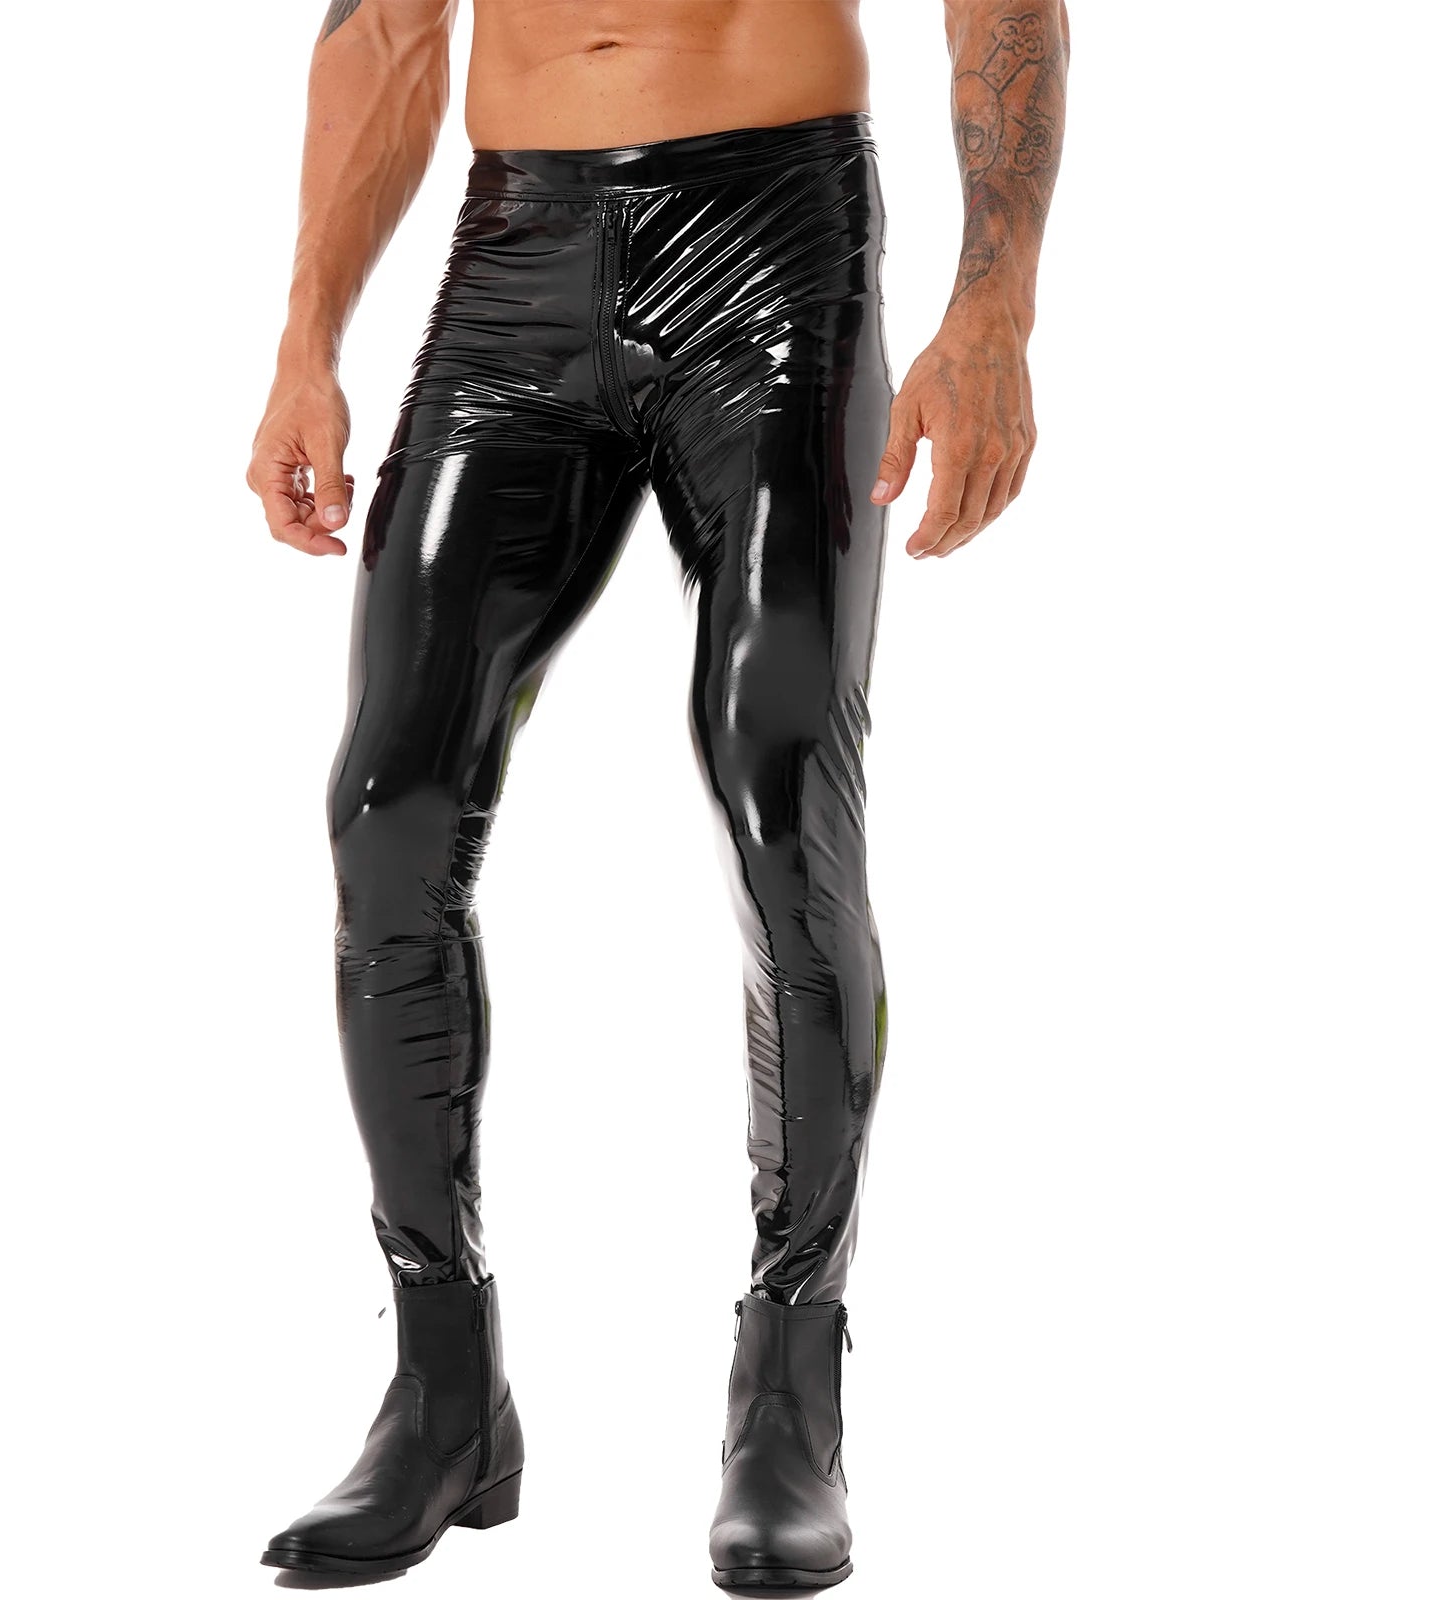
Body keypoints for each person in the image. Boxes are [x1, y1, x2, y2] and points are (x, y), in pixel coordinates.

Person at [246, 0, 1067, 1587]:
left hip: (775, 246)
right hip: (513, 256)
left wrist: (994, 305)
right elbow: (387, 27)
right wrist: (306, 341)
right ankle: (442, 1398)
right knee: (388, 808)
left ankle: (789, 1406)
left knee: (778, 788)